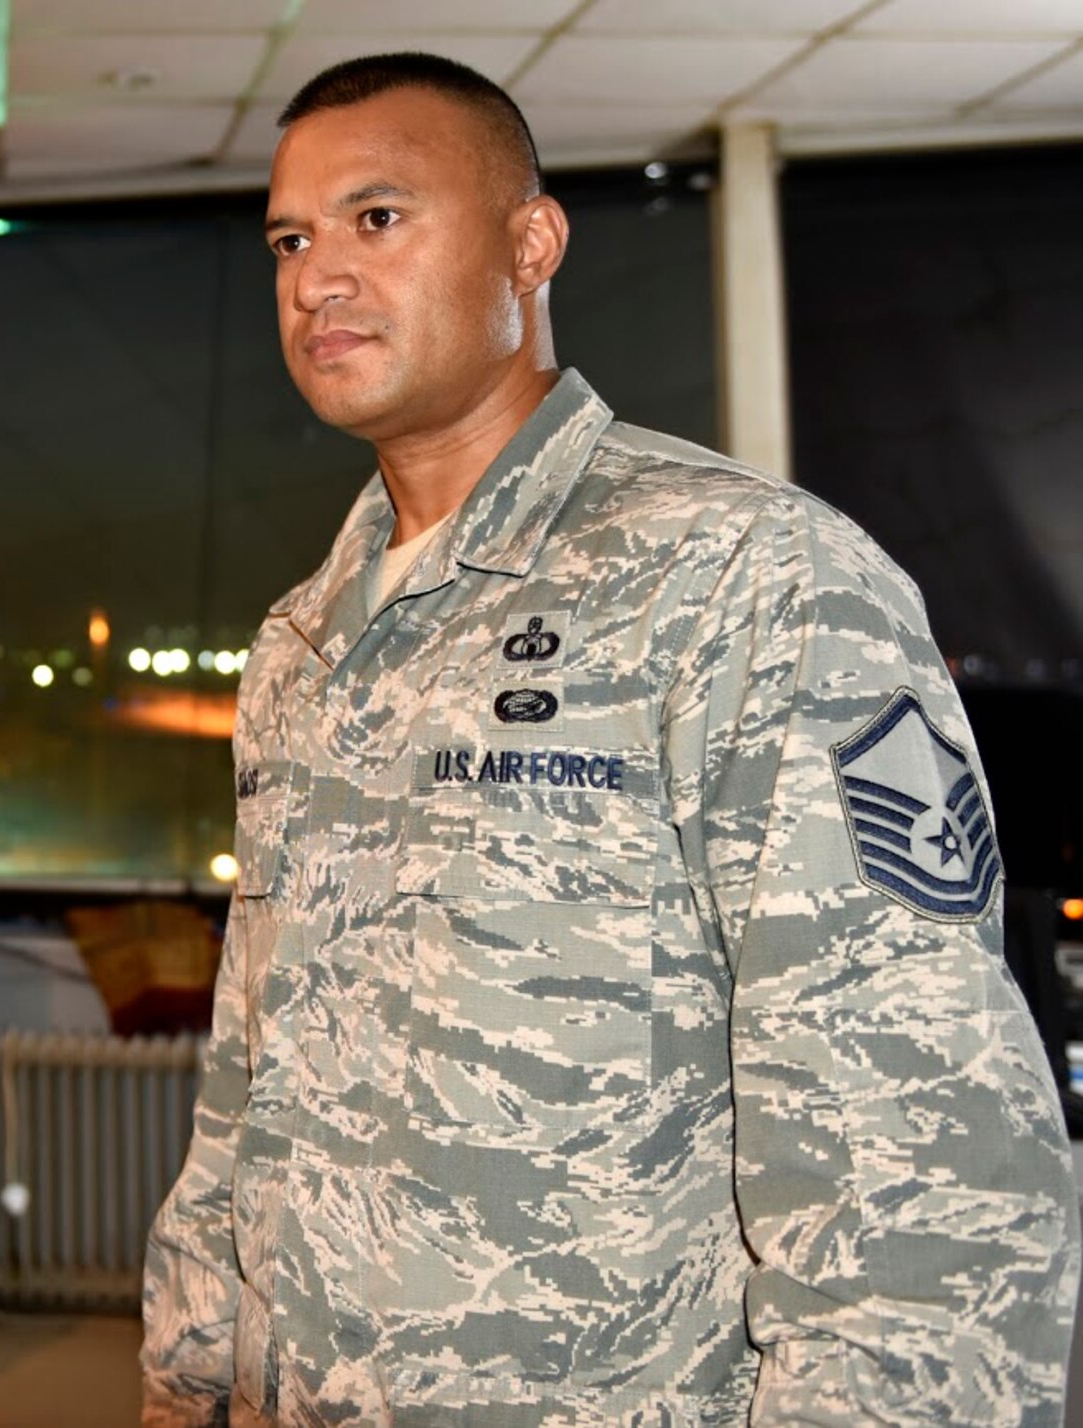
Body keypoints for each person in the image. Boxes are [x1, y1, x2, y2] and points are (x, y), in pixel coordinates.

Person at [141, 52, 1081, 1426]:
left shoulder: (752, 580)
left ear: (532, 244)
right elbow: (252, 1073)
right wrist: (185, 1376)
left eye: (378, 218)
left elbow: (923, 1164)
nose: (316, 277)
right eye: (291, 238)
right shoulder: (305, 644)